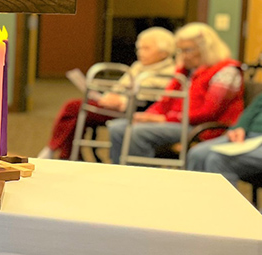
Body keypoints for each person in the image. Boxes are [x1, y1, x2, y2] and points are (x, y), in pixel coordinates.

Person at [108, 23, 243, 165]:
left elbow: (206, 113)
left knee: (138, 133)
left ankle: (142, 180)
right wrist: (149, 115)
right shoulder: (189, 70)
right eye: (180, 51)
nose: (183, 56)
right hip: (179, 122)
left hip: (201, 127)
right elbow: (167, 99)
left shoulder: (227, 71)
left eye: (187, 50)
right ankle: (122, 175)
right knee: (118, 128)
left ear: (205, 49)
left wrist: (164, 119)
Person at [38, 27, 176, 160]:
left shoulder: (169, 72)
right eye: (139, 48)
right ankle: (67, 153)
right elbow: (121, 87)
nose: (140, 52)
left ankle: (56, 150)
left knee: (74, 107)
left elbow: (153, 100)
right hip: (116, 104)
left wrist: (122, 101)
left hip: (134, 110)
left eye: (146, 48)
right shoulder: (138, 66)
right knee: (77, 113)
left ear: (164, 52)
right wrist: (110, 96)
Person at [187, 92, 262, 187]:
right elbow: (252, 110)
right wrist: (240, 127)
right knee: (197, 154)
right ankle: (196, 197)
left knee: (218, 159)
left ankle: (223, 201)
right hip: (248, 135)